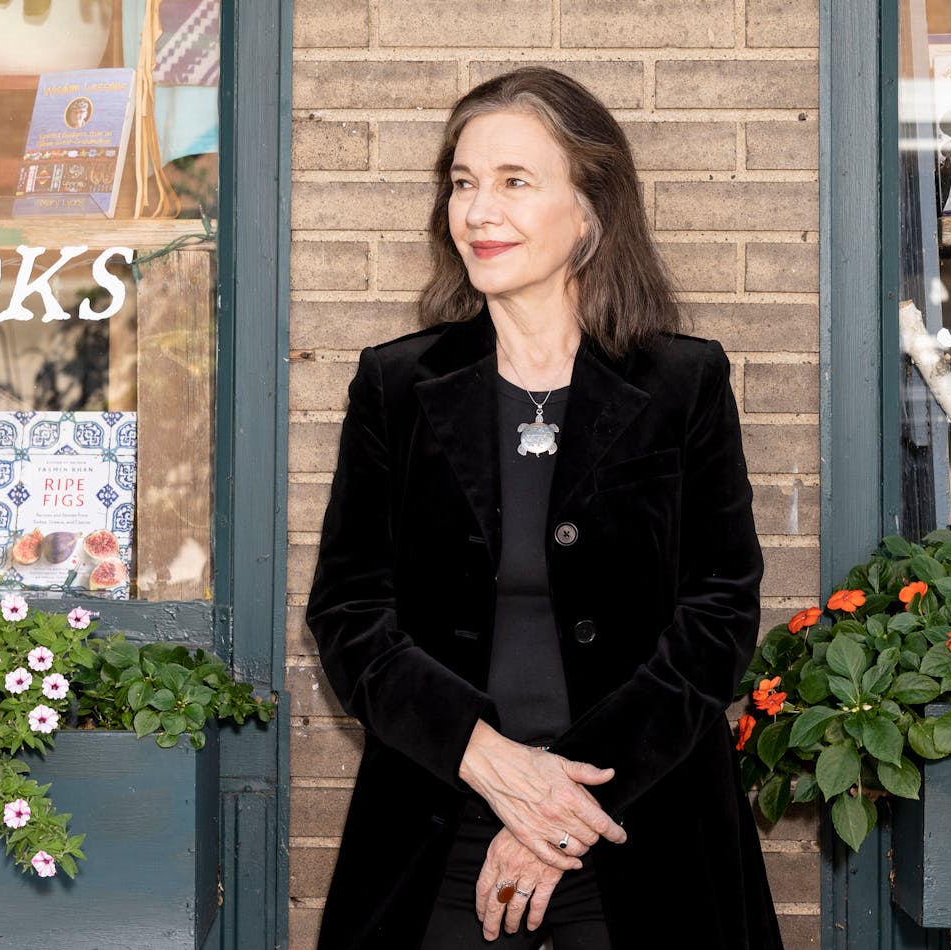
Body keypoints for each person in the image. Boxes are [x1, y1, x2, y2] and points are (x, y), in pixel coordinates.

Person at [307, 67, 783, 949]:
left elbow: (719, 613)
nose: (478, 212)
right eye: (462, 183)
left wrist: (562, 808)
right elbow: (348, 613)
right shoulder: (399, 385)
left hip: (639, 829)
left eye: (514, 183)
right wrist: (486, 759)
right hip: (441, 824)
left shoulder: (683, 383)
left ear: (591, 209)